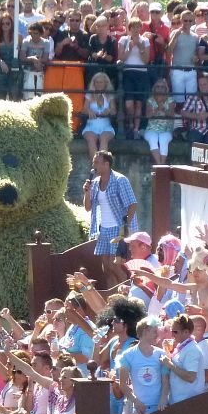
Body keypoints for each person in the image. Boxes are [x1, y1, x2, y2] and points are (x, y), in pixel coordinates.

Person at [83, 150, 138, 282]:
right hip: (104, 229)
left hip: (118, 227)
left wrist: (125, 227)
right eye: (93, 162)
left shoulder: (120, 180)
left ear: (106, 164)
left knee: (115, 265)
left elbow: (132, 204)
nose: (93, 166)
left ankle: (125, 292)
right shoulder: (95, 183)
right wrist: (87, 192)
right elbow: (88, 207)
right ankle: (112, 297)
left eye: (96, 162)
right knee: (106, 267)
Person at [81, 71, 116, 158]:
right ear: (94, 83)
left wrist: (109, 111)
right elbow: (83, 110)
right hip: (90, 126)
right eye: (96, 82)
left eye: (101, 82)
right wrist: (89, 110)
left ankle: (101, 166)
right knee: (91, 139)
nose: (99, 84)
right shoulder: (89, 95)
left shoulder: (109, 95)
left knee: (104, 138)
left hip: (106, 126)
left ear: (105, 83)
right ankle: (95, 167)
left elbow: (114, 111)